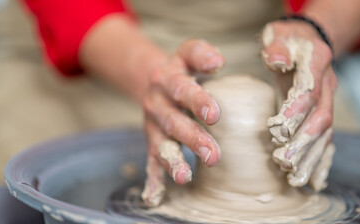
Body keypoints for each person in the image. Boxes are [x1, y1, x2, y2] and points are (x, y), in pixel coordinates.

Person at [21, 0, 360, 205]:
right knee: (28, 198)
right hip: (91, 41)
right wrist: (155, 73)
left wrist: (316, 30)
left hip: (269, 47)